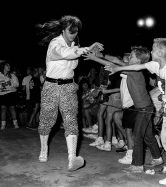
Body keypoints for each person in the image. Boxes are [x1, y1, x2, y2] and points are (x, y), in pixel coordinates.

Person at [105, 38, 166, 185]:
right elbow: (136, 67)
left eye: (152, 49)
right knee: (164, 140)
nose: (151, 51)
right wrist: (117, 69)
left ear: (159, 52)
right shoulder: (156, 64)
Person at [36, 15, 103, 171]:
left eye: (75, 31)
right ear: (63, 30)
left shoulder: (75, 45)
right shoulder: (54, 44)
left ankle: (72, 158)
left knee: (71, 121)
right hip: (51, 86)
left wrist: (90, 52)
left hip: (69, 87)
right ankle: (44, 149)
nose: (73, 33)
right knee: (47, 121)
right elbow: (65, 54)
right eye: (70, 31)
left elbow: (73, 56)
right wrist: (85, 48)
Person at [84, 46, 163, 172]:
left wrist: (95, 58)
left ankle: (137, 165)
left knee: (137, 136)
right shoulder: (132, 67)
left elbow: (112, 64)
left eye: (131, 56)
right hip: (144, 107)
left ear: (137, 61)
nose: (128, 57)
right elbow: (115, 59)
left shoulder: (135, 71)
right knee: (148, 135)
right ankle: (157, 158)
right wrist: (101, 55)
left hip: (144, 109)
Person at [0, 62, 20, 130]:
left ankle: (15, 124)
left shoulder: (12, 75)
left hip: (11, 93)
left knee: (12, 108)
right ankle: (3, 125)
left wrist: (11, 82)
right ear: (3, 67)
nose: (9, 67)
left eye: (9, 65)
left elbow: (17, 84)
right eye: (7, 65)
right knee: (3, 109)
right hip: (2, 94)